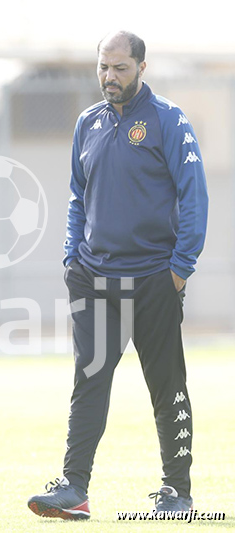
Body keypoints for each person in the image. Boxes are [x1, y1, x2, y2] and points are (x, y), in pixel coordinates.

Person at [28, 31, 208, 519]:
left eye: (120, 68)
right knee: (88, 380)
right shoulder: (87, 123)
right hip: (93, 279)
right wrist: (71, 259)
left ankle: (178, 492)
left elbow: (194, 196)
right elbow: (77, 196)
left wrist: (180, 269)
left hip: (154, 279)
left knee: (166, 385)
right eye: (103, 67)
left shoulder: (169, 120)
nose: (110, 77)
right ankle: (74, 489)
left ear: (142, 68)